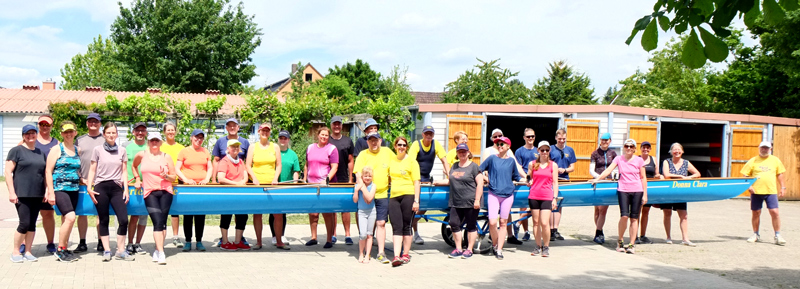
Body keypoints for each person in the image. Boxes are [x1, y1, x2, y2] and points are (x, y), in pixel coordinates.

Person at [86, 122, 135, 261]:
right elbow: (92, 170)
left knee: (124, 219)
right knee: (103, 219)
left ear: (117, 134)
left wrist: (125, 189)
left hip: (116, 188)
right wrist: (90, 187)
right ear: (104, 134)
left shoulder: (122, 150)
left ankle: (121, 250)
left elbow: (124, 171)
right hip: (101, 187)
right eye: (108, 133)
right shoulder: (97, 150)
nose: (111, 135)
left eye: (113, 132)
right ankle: (107, 250)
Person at [591, 139, 647, 254]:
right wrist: (597, 179)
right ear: (624, 147)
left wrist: (645, 194)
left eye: (631, 146)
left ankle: (631, 244)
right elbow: (608, 170)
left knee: (634, 218)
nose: (629, 148)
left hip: (637, 190)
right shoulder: (618, 159)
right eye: (627, 146)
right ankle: (620, 240)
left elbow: (643, 177)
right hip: (623, 190)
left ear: (635, 148)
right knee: (624, 216)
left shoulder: (639, 160)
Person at [132, 132, 177, 265]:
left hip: (165, 192)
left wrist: (166, 176)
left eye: (157, 140)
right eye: (152, 140)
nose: (154, 143)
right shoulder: (142, 155)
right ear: (148, 142)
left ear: (161, 142)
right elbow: (134, 166)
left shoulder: (166, 157)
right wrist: (137, 178)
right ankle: (161, 252)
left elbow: (173, 177)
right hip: (149, 192)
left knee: (162, 222)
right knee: (157, 221)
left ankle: (158, 250)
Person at [434, 143, 483, 259]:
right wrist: (437, 182)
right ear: (457, 153)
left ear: (468, 153)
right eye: (460, 151)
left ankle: (469, 249)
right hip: (455, 201)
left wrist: (477, 200)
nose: (462, 153)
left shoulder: (474, 167)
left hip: (471, 201)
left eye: (464, 151)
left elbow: (480, 183)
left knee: (471, 225)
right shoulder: (455, 166)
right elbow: (451, 181)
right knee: (454, 224)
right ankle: (458, 248)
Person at [6, 124, 48, 263]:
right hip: (22, 193)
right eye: (27, 133)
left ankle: (28, 251)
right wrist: (12, 192)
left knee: (32, 224)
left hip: (37, 193)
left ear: (37, 135)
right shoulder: (16, 151)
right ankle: (16, 251)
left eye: (33, 133)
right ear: (23, 136)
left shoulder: (40, 152)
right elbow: (7, 172)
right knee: (24, 223)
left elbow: (45, 173)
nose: (30, 136)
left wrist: (47, 190)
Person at [19, 115, 59, 255]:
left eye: (47, 124)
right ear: (38, 125)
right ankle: (23, 243)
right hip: (30, 185)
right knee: (28, 217)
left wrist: (50, 189)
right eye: (42, 124)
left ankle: (50, 243)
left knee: (48, 214)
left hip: (48, 184)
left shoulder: (56, 143)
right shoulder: (28, 141)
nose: (44, 126)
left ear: (51, 126)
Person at [354, 132, 396, 264]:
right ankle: (365, 252)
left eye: (376, 140)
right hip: (366, 195)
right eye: (370, 140)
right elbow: (358, 173)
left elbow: (396, 165)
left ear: (380, 141)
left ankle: (381, 252)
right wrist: (364, 191)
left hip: (382, 194)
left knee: (381, 223)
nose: (373, 143)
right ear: (367, 142)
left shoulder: (387, 152)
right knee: (367, 228)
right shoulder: (363, 154)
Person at [479, 136, 522, 260]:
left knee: (503, 223)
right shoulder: (492, 158)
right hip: (493, 193)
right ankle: (494, 243)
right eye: (498, 144)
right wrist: (486, 179)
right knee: (492, 222)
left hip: (508, 195)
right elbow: (479, 170)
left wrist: (526, 180)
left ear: (508, 147)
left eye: (502, 144)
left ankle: (499, 249)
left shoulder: (511, 161)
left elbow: (516, 177)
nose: (499, 146)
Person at [45, 122, 82, 262]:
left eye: (71, 131)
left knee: (66, 219)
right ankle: (59, 250)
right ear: (61, 134)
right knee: (71, 217)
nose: (69, 134)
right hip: (59, 189)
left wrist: (81, 178)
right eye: (66, 132)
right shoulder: (56, 149)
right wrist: (50, 192)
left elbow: (76, 169)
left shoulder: (78, 150)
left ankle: (65, 248)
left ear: (75, 133)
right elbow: (48, 171)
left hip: (74, 189)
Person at [211, 118, 250, 248]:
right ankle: (225, 241)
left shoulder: (240, 160)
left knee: (242, 215)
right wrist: (235, 183)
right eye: (233, 147)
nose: (235, 149)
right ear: (228, 148)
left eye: (237, 147)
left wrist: (243, 182)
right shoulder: (224, 160)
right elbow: (221, 177)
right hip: (227, 191)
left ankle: (238, 241)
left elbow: (245, 173)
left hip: (240, 191)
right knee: (226, 215)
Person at [407, 125, 449, 245]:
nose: (429, 136)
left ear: (433, 135)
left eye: (431, 134)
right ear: (423, 135)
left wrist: (450, 177)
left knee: (423, 207)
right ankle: (414, 233)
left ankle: (410, 225)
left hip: (426, 178)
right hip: (414, 178)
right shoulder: (416, 144)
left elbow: (444, 160)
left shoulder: (436, 144)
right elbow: (411, 162)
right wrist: (416, 179)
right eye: (427, 133)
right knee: (413, 205)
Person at [742, 141, 787, 245]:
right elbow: (745, 175)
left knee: (774, 212)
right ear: (759, 148)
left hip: (771, 191)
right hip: (756, 191)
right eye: (762, 148)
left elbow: (780, 174)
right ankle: (755, 234)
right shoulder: (753, 161)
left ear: (770, 149)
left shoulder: (775, 160)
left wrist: (783, 187)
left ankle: (778, 235)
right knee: (756, 213)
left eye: (766, 148)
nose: (764, 150)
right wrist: (749, 186)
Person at [175, 129, 212, 252]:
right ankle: (187, 241)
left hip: (202, 188)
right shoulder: (184, 151)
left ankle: (199, 241)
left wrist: (207, 179)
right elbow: (177, 169)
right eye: (196, 137)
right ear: (191, 138)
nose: (199, 140)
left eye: (201, 138)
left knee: (200, 215)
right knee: (188, 215)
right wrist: (186, 179)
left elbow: (210, 167)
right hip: (188, 188)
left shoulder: (205, 151)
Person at [246, 122, 282, 250]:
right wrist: (254, 178)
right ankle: (259, 242)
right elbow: (248, 165)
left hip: (272, 184)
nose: (265, 133)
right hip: (257, 185)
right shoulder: (252, 147)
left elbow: (278, 165)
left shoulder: (275, 147)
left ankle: (279, 241)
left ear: (270, 132)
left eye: (267, 131)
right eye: (263, 131)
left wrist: (275, 178)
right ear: (259, 132)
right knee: (258, 214)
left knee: (277, 214)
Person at [74, 112, 105, 253]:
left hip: (101, 181)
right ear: (87, 123)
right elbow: (74, 160)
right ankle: (82, 242)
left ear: (100, 123)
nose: (93, 124)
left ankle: (100, 241)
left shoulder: (106, 140)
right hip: (83, 182)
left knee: (101, 213)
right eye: (90, 121)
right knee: (82, 213)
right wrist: (80, 177)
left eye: (96, 121)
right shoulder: (79, 140)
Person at [387, 137, 421, 267]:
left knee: (407, 225)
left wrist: (416, 201)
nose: (401, 147)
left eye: (404, 145)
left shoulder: (412, 162)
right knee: (396, 226)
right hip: (394, 197)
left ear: (407, 147)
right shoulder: (392, 161)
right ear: (395, 146)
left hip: (409, 195)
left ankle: (405, 254)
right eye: (399, 144)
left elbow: (416, 182)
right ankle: (396, 256)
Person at [304, 127, 340, 248]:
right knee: (313, 213)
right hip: (311, 184)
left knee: (327, 213)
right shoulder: (310, 147)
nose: (324, 137)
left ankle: (329, 239)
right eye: (322, 135)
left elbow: (334, 167)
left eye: (326, 135)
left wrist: (327, 180)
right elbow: (306, 164)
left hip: (325, 186)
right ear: (317, 135)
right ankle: (313, 237)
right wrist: (305, 179)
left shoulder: (332, 149)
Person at [661, 143, 701, 246]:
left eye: (679, 149)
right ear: (671, 152)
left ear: (682, 151)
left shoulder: (686, 163)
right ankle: (668, 237)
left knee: (684, 215)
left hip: (681, 192)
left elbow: (697, 173)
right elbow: (666, 175)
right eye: (674, 150)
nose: (677, 151)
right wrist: (680, 176)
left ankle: (685, 238)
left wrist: (688, 178)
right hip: (668, 192)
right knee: (667, 214)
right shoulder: (667, 162)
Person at [527, 141, 559, 257]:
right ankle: (537, 245)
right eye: (542, 150)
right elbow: (529, 177)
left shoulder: (553, 165)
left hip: (546, 196)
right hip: (534, 195)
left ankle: (546, 246)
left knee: (545, 223)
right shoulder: (533, 164)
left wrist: (555, 198)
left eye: (546, 150)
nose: (544, 152)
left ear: (549, 151)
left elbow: (555, 183)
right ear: (538, 151)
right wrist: (529, 182)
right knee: (535, 222)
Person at [328, 116, 355, 245]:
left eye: (339, 124)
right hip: (331, 178)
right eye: (334, 124)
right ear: (331, 126)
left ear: (342, 125)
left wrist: (351, 178)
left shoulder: (348, 141)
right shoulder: (327, 140)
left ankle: (348, 234)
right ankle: (333, 234)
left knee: (345, 208)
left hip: (344, 178)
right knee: (333, 207)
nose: (337, 126)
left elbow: (351, 160)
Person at [159, 122, 185, 249]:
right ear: (164, 132)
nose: (170, 132)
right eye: (168, 130)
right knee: (163, 211)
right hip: (162, 182)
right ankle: (161, 237)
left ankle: (175, 237)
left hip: (176, 182)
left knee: (175, 211)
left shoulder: (181, 148)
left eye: (172, 130)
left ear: (175, 132)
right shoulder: (160, 146)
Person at [124, 122, 149, 255]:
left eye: (143, 130)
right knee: (132, 216)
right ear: (133, 132)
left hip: (147, 185)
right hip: (130, 186)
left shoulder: (150, 147)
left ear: (146, 133)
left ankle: (138, 243)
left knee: (143, 216)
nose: (140, 133)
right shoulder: (126, 147)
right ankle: (129, 243)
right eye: (137, 130)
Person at [271, 130, 297, 249]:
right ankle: (274, 236)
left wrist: (295, 182)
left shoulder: (293, 154)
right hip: (273, 185)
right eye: (281, 138)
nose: (283, 140)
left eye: (285, 138)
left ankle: (281, 235)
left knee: (282, 212)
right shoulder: (273, 152)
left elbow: (296, 170)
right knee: (273, 212)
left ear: (288, 140)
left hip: (286, 186)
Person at [589, 132, 617, 244]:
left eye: (607, 140)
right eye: (603, 140)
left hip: (608, 183)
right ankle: (599, 230)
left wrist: (614, 176)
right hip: (597, 182)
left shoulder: (613, 153)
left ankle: (598, 232)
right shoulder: (595, 153)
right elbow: (591, 169)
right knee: (597, 210)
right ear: (600, 140)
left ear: (610, 141)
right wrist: (599, 178)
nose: (604, 142)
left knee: (603, 210)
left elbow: (616, 167)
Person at [549, 128, 576, 241]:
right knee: (551, 205)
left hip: (564, 180)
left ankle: (556, 229)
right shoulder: (550, 149)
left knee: (560, 206)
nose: (561, 141)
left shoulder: (570, 150)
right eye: (559, 139)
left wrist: (564, 170)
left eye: (563, 139)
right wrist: (554, 170)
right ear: (556, 138)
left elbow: (572, 167)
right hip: (551, 180)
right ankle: (550, 230)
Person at [636, 141, 664, 245]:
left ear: (650, 149)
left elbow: (657, 173)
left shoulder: (654, 160)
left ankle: (643, 235)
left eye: (648, 148)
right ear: (640, 148)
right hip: (637, 187)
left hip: (649, 189)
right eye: (644, 147)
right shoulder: (636, 159)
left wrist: (659, 176)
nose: (645, 149)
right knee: (636, 212)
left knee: (646, 212)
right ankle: (634, 235)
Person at [514, 128, 539, 241]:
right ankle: (526, 231)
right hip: (524, 180)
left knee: (535, 206)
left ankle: (517, 223)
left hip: (536, 181)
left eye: (532, 136)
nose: (530, 138)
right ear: (524, 138)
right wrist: (526, 177)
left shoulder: (538, 151)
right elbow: (518, 167)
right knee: (523, 206)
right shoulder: (519, 151)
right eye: (528, 136)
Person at [353, 167, 376, 263]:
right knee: (362, 234)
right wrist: (357, 190)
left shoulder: (373, 186)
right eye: (365, 176)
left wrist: (363, 188)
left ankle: (367, 255)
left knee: (369, 234)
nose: (367, 178)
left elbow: (370, 198)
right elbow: (355, 200)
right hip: (361, 212)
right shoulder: (358, 186)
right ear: (362, 176)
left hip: (372, 211)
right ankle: (361, 253)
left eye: (369, 176)